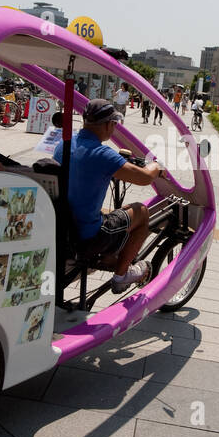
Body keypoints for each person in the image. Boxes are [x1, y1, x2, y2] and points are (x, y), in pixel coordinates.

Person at [54, 99, 163, 293]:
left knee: (115, 215)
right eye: (114, 124)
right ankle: (122, 276)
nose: (113, 129)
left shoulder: (63, 146)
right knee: (141, 211)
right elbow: (145, 178)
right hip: (88, 235)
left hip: (63, 228)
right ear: (107, 124)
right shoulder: (102, 153)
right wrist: (156, 166)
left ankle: (108, 258)